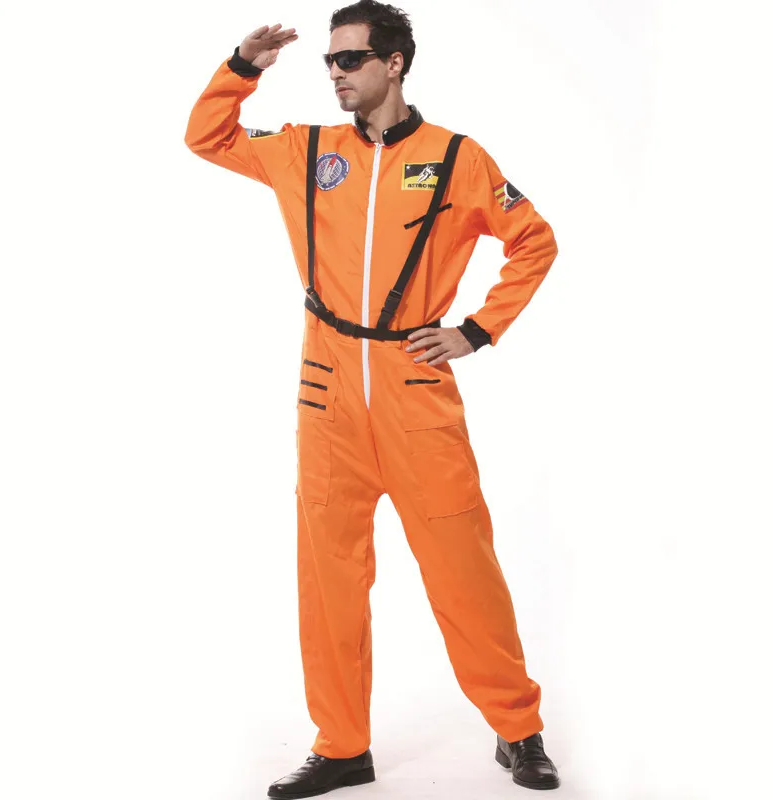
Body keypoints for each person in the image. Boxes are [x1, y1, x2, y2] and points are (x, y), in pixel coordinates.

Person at [184, 1, 560, 796]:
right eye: (330, 61)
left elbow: (534, 240)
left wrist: (477, 330)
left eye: (350, 59)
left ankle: (517, 729)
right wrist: (242, 67)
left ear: (394, 63)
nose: (336, 73)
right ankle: (341, 746)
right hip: (326, 395)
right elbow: (206, 137)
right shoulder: (306, 151)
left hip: (415, 391)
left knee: (464, 571)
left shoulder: (456, 158)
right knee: (329, 580)